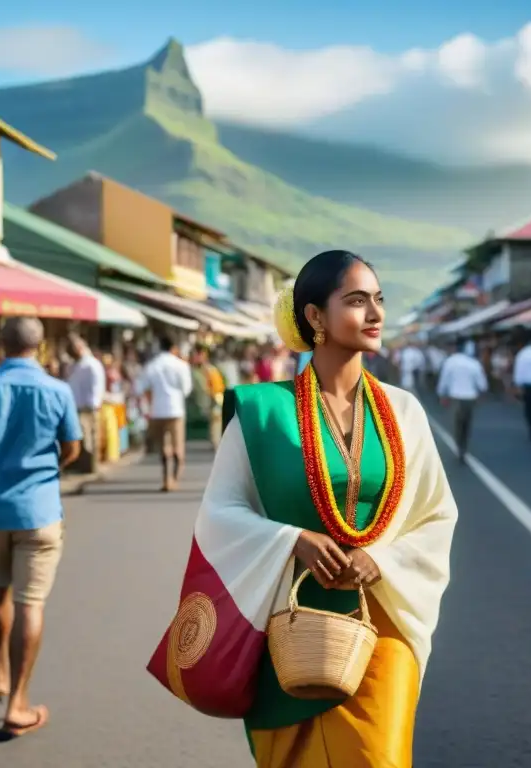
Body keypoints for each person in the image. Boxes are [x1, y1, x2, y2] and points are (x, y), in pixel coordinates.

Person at [185, 250, 457, 767]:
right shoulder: (262, 413)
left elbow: (437, 513)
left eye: (378, 299)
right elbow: (219, 512)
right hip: (287, 619)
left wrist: (382, 558)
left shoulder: (404, 411)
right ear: (314, 317)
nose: (375, 313)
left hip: (380, 617)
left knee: (378, 757)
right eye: (356, 301)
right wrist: (294, 540)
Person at [0, 317, 82, 740]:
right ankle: (18, 704)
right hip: (39, 512)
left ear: (1, 346)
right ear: (40, 346)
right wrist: (46, 471)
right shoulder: (59, 391)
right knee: (30, 602)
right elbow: (72, 448)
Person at [136, 336, 194, 491]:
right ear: (173, 348)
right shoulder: (181, 365)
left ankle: (166, 479)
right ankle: (175, 478)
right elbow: (186, 390)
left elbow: (140, 387)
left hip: (158, 410)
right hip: (176, 410)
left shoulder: (152, 365)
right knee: (177, 446)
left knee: (164, 447)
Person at [437, 339, 488, 461]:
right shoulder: (473, 363)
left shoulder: (450, 362)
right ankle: (463, 446)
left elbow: (444, 380)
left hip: (455, 397)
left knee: (457, 423)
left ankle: (459, 446)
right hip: (470, 397)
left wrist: (442, 395)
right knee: (466, 423)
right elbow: (482, 384)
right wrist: (482, 393)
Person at [65, 334, 107, 474]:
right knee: (81, 438)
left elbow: (97, 385)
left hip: (87, 407)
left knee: (90, 440)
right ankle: (83, 466)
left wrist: (94, 403)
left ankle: (91, 467)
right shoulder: (74, 365)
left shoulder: (91, 364)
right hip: (76, 406)